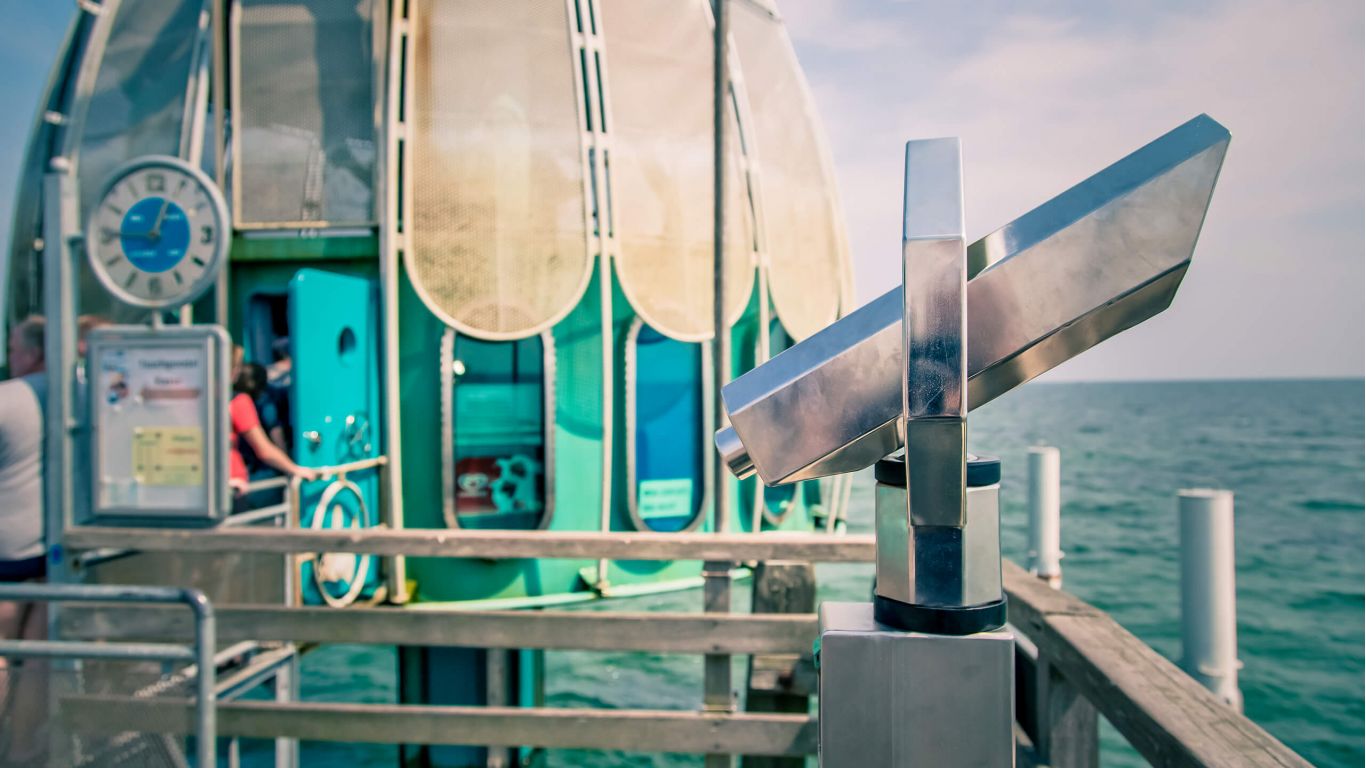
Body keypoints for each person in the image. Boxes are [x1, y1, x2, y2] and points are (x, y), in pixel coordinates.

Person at [0, 315, 49, 762]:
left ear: (33, 353)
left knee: (2, 654)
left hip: (7, 550)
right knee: (37, 662)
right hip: (58, 554)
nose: (10, 357)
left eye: (13, 348)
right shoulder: (86, 395)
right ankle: (21, 751)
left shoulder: (8, 399)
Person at [229, 360, 316, 511]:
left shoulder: (213, 401)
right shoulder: (244, 403)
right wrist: (293, 468)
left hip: (236, 477)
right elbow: (269, 447)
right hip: (244, 480)